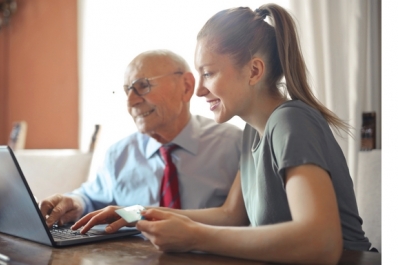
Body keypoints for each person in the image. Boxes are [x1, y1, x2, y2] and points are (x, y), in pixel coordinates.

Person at [71, 4, 373, 265]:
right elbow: (232, 215)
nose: (199, 90)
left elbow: (321, 243)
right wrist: (137, 213)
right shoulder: (252, 133)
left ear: (254, 71)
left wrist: (194, 237)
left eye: (209, 73)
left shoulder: (290, 122)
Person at [39, 49, 242, 228]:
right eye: (127, 90)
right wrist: (74, 203)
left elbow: (240, 218)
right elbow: (91, 198)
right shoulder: (119, 154)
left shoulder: (234, 144)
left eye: (142, 86)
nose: (131, 101)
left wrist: (135, 214)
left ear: (186, 87)